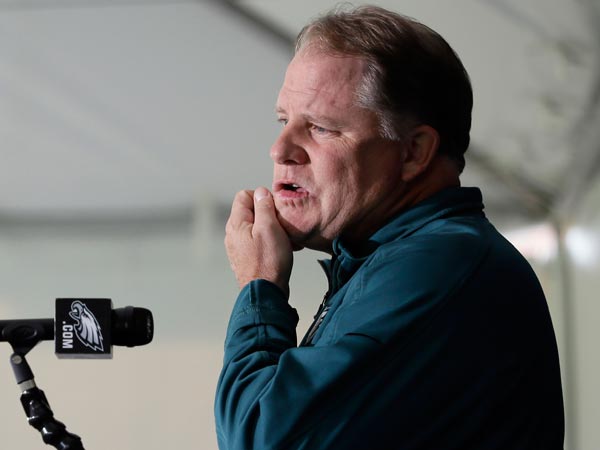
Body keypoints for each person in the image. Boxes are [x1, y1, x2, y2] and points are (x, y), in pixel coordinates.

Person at [215, 5, 564, 450]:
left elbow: (261, 440)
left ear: (414, 152)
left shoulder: (437, 265)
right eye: (285, 121)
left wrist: (260, 285)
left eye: (321, 128)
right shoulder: (401, 260)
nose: (280, 149)